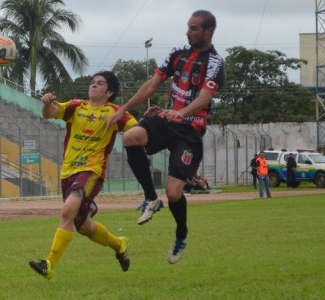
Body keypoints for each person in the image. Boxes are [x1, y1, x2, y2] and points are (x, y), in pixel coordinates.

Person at [107, 10, 225, 264]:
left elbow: (204, 98)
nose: (188, 31)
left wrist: (180, 113)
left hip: (189, 131)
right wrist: (123, 110)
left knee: (174, 194)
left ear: (208, 31)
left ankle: (181, 233)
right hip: (167, 120)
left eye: (194, 28)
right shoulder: (178, 52)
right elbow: (152, 84)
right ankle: (151, 197)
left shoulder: (215, 64)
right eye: (188, 26)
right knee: (130, 137)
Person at [28, 71, 137, 280]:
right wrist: (46, 103)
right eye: (93, 82)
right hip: (68, 170)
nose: (94, 85)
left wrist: (151, 122)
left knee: (67, 211)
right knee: (84, 227)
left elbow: (137, 129)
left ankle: (49, 264)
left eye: (100, 83)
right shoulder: (76, 106)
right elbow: (49, 113)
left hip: (91, 171)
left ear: (110, 92)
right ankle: (119, 244)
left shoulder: (115, 112)